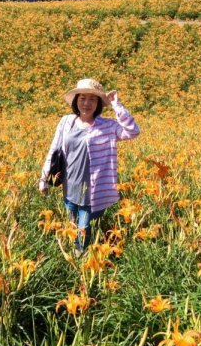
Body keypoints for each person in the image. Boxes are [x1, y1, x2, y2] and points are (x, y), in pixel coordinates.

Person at [39, 78, 140, 252]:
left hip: (93, 189)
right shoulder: (66, 122)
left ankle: (81, 256)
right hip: (70, 185)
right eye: (82, 98)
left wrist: (116, 105)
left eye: (92, 99)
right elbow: (54, 150)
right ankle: (71, 251)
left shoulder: (107, 126)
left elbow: (133, 131)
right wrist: (44, 178)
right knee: (71, 219)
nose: (87, 103)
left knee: (83, 226)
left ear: (99, 104)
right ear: (76, 100)